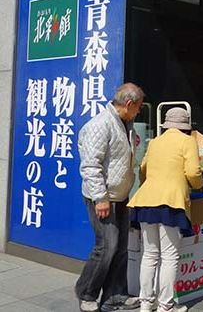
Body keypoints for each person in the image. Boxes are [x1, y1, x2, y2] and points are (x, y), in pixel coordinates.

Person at [75, 83, 144, 312]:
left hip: (121, 195)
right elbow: (91, 165)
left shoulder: (125, 124)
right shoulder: (100, 125)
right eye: (139, 107)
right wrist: (100, 198)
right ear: (129, 104)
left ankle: (115, 295)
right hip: (105, 197)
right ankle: (86, 293)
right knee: (105, 247)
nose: (139, 112)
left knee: (120, 248)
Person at [128, 107, 203, 312]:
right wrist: (198, 185)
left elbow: (143, 169)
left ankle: (146, 303)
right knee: (170, 256)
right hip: (171, 203)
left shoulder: (155, 142)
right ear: (184, 126)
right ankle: (166, 306)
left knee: (149, 255)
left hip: (145, 201)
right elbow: (194, 172)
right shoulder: (187, 141)